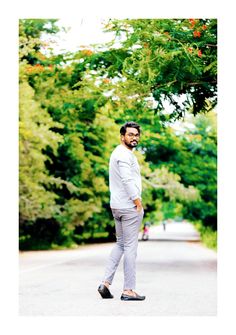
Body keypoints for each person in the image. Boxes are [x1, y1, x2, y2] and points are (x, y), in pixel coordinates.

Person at [98, 121, 145, 301]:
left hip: (117, 206)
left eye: (136, 135)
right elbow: (126, 179)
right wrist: (137, 202)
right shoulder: (124, 155)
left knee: (120, 244)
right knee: (131, 248)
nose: (134, 137)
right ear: (122, 136)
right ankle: (128, 290)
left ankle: (105, 284)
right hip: (129, 207)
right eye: (130, 134)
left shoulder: (117, 153)